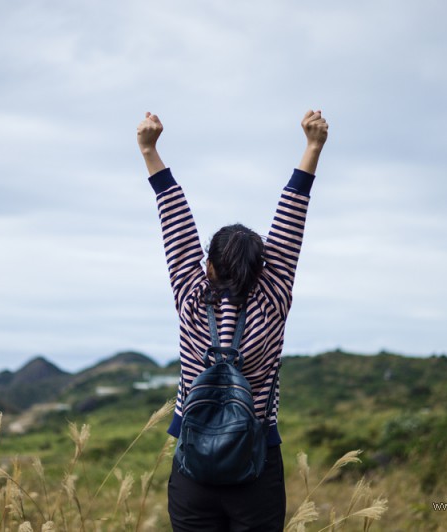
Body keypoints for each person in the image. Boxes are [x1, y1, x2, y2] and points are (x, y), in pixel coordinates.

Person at [137, 109, 328, 531]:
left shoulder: (190, 295)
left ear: (207, 265)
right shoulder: (272, 298)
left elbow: (175, 219)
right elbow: (291, 216)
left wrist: (150, 150)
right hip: (255, 465)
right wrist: (312, 146)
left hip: (192, 470)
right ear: (265, 267)